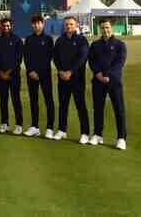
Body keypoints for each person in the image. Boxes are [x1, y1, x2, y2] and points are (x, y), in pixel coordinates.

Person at [88, 19, 127, 150]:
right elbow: (92, 61)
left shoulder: (120, 44)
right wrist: (98, 73)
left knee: (119, 110)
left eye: (107, 27)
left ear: (112, 28)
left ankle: (121, 138)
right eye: (103, 28)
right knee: (98, 109)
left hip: (114, 82)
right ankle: (98, 135)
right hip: (98, 82)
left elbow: (119, 62)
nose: (105, 30)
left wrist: (108, 75)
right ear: (100, 29)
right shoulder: (95, 44)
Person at [53, 16, 90, 144]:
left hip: (77, 79)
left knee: (80, 106)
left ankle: (85, 133)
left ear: (76, 25)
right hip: (62, 78)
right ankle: (62, 130)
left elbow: (82, 57)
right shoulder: (59, 40)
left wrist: (70, 71)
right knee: (63, 105)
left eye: (71, 24)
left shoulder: (82, 40)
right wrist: (60, 71)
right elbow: (55, 57)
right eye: (67, 24)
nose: (69, 26)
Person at [23, 14, 55, 139]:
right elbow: (26, 57)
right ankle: (34, 127)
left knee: (49, 101)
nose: (37, 26)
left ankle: (50, 128)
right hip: (31, 75)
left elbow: (48, 58)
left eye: (39, 23)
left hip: (45, 74)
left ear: (43, 24)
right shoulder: (29, 39)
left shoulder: (48, 39)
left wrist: (39, 72)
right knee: (33, 100)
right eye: (34, 24)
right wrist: (31, 71)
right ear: (32, 25)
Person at [0, 18, 24, 135]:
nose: (5, 28)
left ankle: (19, 125)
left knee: (16, 100)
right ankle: (4, 124)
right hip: (0, 75)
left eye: (7, 26)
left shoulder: (17, 40)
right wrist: (1, 71)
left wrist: (8, 72)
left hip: (14, 75)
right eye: (3, 26)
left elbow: (18, 59)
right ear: (0, 27)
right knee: (3, 100)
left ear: (11, 26)